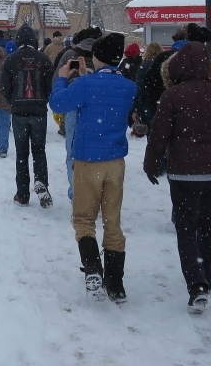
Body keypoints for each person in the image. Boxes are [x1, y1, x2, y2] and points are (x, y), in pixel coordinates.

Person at [144, 41, 211, 314]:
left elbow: (159, 136)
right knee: (209, 226)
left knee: (186, 226)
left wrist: (151, 164)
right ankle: (207, 276)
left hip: (183, 172)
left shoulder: (172, 96)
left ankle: (196, 283)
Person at [49, 32, 137, 303]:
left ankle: (92, 270)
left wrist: (65, 76)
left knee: (84, 219)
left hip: (88, 161)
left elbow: (58, 103)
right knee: (113, 222)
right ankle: (116, 283)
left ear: (96, 56)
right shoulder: (129, 87)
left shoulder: (86, 84)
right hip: (115, 162)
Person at [0, 24, 56, 207]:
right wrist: (43, 100)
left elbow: (4, 88)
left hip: (19, 113)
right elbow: (51, 86)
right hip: (39, 111)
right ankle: (41, 182)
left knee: (22, 154)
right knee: (39, 151)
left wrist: (13, 101)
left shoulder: (10, 60)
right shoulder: (44, 60)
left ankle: (22, 194)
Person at [56, 28, 102, 200]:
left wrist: (63, 84)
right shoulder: (101, 56)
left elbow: (57, 79)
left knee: (73, 152)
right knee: (95, 153)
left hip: (73, 105)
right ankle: (93, 192)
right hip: (98, 108)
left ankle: (76, 193)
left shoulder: (70, 55)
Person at [44, 31, 66, 135]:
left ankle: (55, 107)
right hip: (64, 72)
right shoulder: (65, 47)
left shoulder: (48, 47)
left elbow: (44, 59)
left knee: (54, 90)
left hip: (52, 72)